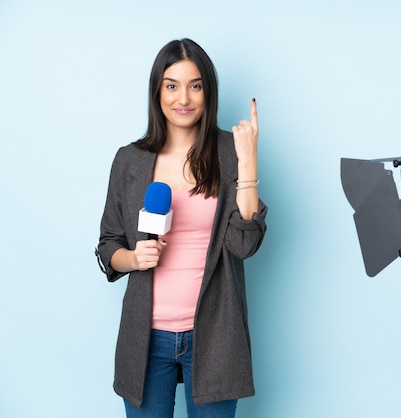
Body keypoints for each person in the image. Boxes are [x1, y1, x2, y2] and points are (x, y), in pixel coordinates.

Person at [96, 38, 267, 418]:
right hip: (146, 338)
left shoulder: (229, 152)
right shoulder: (130, 161)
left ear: (208, 91)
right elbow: (109, 245)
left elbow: (244, 244)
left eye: (195, 85)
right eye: (172, 85)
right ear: (157, 91)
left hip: (215, 335)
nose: (183, 98)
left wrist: (249, 160)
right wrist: (133, 258)